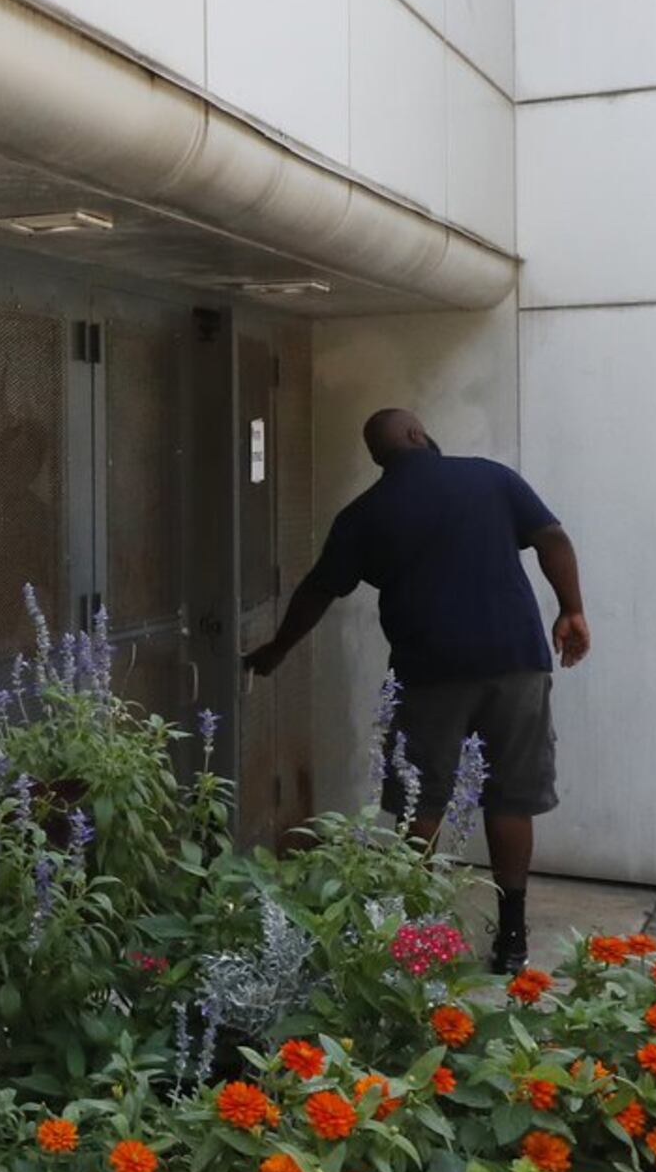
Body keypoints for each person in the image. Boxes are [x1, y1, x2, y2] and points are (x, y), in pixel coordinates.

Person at [243, 406, 587, 974]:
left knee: (420, 804)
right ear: (415, 434)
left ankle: (415, 931)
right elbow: (551, 537)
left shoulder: (364, 514)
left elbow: (318, 590)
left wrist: (277, 649)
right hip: (517, 663)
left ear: (380, 455)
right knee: (510, 798)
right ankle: (512, 938)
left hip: (429, 671)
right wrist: (572, 610)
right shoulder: (490, 477)